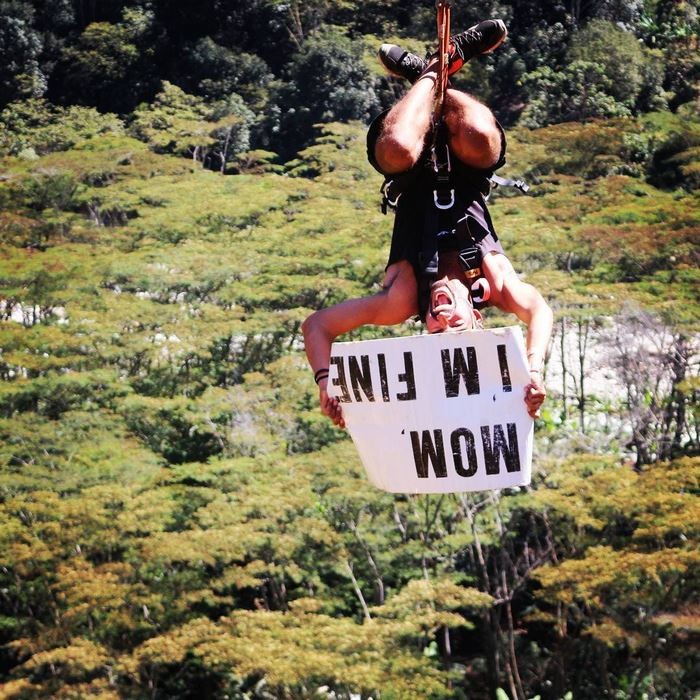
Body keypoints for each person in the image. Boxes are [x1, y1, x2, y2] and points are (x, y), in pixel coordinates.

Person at [302, 20, 552, 428]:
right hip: (469, 167)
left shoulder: (403, 300)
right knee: (478, 133)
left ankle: (430, 73)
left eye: (435, 331)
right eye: (457, 327)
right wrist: (534, 371)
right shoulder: (493, 285)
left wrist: (326, 382)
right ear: (477, 319)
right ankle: (442, 68)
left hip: (408, 168)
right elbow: (538, 310)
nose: (442, 319)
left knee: (397, 146)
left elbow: (317, 326)